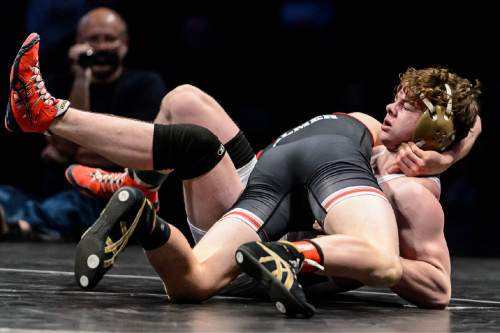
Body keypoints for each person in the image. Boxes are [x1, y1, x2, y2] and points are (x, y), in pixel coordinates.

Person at [5, 33, 480, 317]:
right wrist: (453, 150)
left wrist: (442, 157)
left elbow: (435, 286)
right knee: (184, 99)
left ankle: (145, 213)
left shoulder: (413, 189)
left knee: (190, 280)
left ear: (434, 126)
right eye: (398, 97)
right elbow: (469, 122)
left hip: (269, 201)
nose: (392, 104)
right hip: (274, 188)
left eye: (410, 104)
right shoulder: (378, 139)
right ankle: (127, 175)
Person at [0, 8, 166, 240]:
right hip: (53, 190)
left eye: (109, 39)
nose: (101, 47)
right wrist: (81, 78)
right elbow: (68, 144)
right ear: (78, 43)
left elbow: (136, 152)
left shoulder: (144, 85)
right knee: (5, 195)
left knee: (70, 206)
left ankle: (19, 225)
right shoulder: (59, 83)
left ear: (125, 44)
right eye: (93, 40)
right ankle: (19, 224)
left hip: (103, 196)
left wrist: (72, 152)